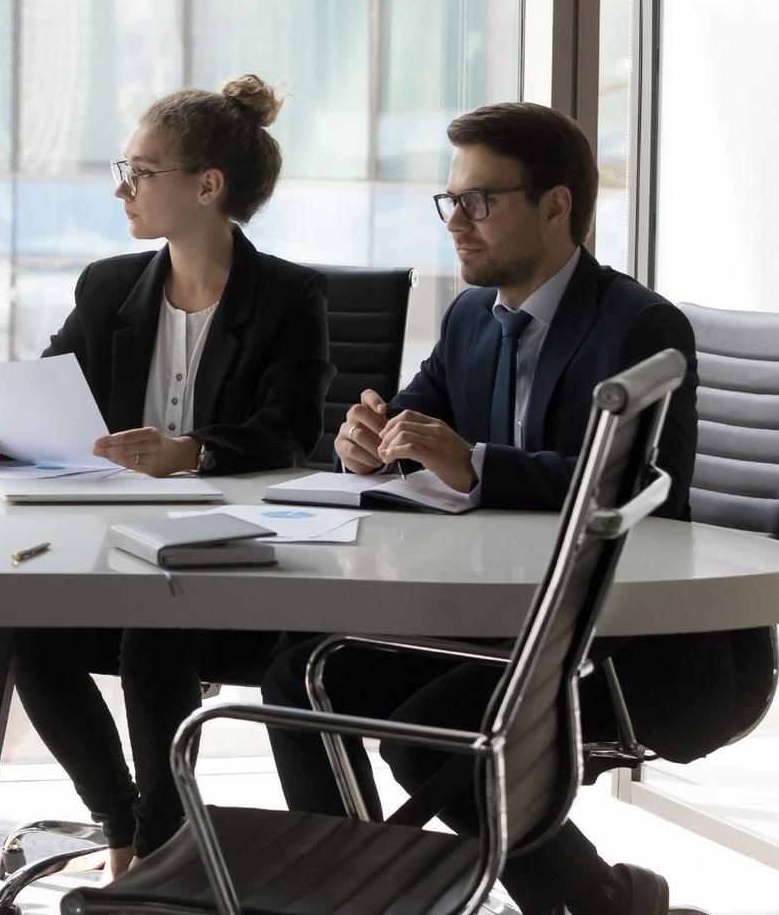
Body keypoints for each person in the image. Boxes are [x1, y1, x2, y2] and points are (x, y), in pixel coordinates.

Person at [260, 101, 750, 915]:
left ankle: (597, 900)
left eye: (481, 201)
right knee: (298, 677)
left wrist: (478, 464)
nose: (458, 222)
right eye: (451, 201)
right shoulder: (469, 318)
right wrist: (365, 436)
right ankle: (350, 892)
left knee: (437, 741)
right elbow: (408, 424)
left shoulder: (637, 327)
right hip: (492, 619)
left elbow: (633, 486)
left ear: (556, 205)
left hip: (617, 639)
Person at [0, 75, 333, 878]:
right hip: (114, 545)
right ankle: (126, 831)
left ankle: (160, 852)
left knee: (154, 635)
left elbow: (291, 430)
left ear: (206, 186)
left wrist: (188, 451)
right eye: (122, 169)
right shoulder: (110, 285)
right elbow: (50, 392)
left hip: (241, 562)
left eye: (140, 171)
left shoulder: (289, 296)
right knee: (23, 636)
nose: (122, 188)